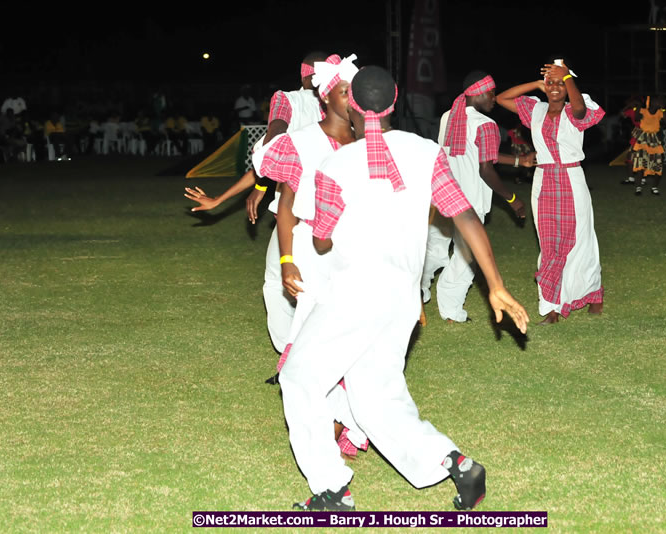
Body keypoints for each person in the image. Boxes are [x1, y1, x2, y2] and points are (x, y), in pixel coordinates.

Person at [280, 65, 530, 511]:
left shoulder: (336, 165)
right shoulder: (426, 152)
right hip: (401, 299)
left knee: (299, 376)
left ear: (352, 107)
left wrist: (323, 230)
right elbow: (464, 215)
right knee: (375, 397)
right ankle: (457, 464)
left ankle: (331, 490)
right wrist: (495, 285)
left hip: (354, 294)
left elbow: (320, 241)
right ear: (395, 102)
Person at [252, 53, 368, 459]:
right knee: (319, 342)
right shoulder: (302, 141)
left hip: (353, 252)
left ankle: (343, 422)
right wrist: (287, 261)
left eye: (355, 93)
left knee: (356, 340)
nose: (352, 100)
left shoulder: (367, 142)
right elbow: (286, 207)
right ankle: (332, 426)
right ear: (326, 97)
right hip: (311, 254)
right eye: (344, 92)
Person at [184, 51, 328, 365]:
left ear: (302, 74)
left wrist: (254, 185)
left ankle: (292, 356)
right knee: (321, 285)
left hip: (296, 209)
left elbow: (272, 147)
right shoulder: (339, 107)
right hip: (334, 211)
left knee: (278, 281)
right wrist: (254, 187)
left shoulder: (287, 100)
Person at [496, 59, 605, 325]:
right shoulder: (535, 109)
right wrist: (537, 84)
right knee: (548, 244)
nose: (555, 87)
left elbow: (580, 110)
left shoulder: (575, 108)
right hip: (544, 180)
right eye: (551, 83)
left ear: (569, 86)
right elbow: (501, 98)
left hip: (571, 178)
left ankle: (593, 293)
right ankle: (552, 307)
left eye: (560, 84)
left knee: (580, 241)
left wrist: (566, 76)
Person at [421, 70, 531, 323]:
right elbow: (485, 169)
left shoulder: (449, 116)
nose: (494, 98)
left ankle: (419, 289)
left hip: (442, 196)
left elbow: (476, 153)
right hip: (469, 204)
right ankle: (451, 311)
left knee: (434, 249)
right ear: (478, 93)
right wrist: (513, 200)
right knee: (465, 258)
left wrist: (519, 160)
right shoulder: (486, 125)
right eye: (491, 93)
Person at [630, 95, 666, 196]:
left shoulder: (660, 112)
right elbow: (636, 118)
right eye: (658, 100)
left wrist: (663, 109)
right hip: (643, 140)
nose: (660, 102)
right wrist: (639, 106)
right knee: (640, 163)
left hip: (654, 140)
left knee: (658, 164)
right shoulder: (643, 111)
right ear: (652, 102)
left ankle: (654, 187)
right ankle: (638, 187)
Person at [619, 95, 643, 185]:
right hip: (636, 134)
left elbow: (638, 118)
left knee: (642, 157)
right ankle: (631, 178)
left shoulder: (644, 111)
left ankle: (641, 179)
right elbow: (622, 114)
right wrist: (628, 106)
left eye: (632, 102)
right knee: (630, 157)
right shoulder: (632, 110)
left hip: (645, 134)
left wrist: (635, 105)